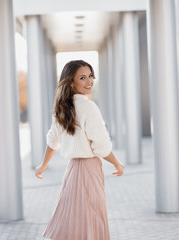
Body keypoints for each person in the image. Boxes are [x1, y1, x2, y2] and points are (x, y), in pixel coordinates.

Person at [35, 60, 125, 240]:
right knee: (92, 219)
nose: (89, 81)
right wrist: (117, 163)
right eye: (82, 78)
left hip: (72, 171)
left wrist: (43, 165)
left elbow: (53, 140)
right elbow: (101, 146)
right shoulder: (88, 107)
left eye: (90, 76)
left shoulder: (62, 108)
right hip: (89, 170)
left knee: (74, 220)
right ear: (71, 82)